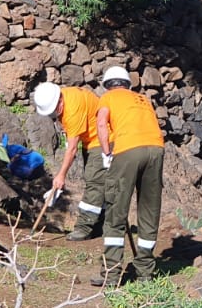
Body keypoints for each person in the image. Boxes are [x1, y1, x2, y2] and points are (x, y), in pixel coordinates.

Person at [94, 65, 166, 286]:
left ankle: (112, 273)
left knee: (116, 208)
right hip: (156, 149)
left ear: (108, 85)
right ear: (127, 84)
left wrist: (106, 152)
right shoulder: (143, 99)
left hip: (128, 151)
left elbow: (101, 123)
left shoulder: (108, 98)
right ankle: (145, 271)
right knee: (149, 209)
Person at [32, 81, 106, 241]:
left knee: (95, 183)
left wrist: (61, 176)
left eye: (54, 112)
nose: (55, 116)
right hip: (92, 141)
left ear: (60, 101)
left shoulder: (72, 109)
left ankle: (84, 227)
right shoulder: (66, 95)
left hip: (102, 141)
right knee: (98, 182)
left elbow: (72, 149)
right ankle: (101, 225)